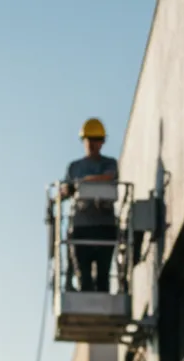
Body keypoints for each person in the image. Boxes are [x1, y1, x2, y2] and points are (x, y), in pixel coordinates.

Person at [62, 117, 119, 293]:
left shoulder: (109, 163)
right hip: (81, 227)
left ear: (102, 142)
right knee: (83, 276)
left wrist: (85, 181)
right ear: (84, 141)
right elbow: (66, 189)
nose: (92, 144)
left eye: (96, 140)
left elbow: (109, 176)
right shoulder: (74, 167)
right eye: (89, 140)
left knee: (103, 276)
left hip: (105, 226)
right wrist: (64, 190)